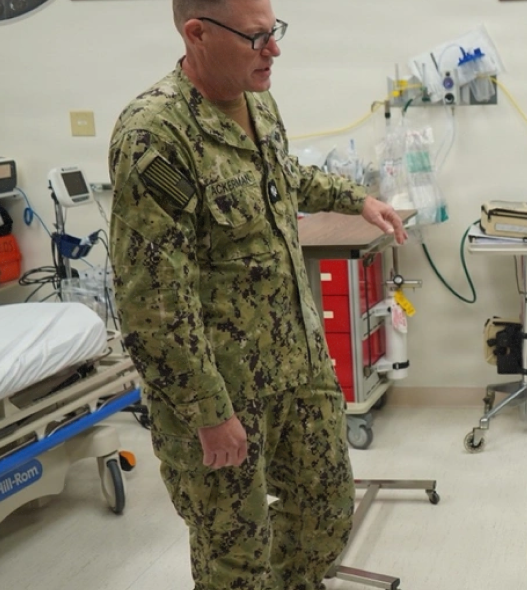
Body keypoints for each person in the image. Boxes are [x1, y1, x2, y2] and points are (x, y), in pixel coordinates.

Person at [107, 1, 407, 588]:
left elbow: (281, 175)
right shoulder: (155, 134)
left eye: (275, 32)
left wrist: (356, 199)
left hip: (299, 366)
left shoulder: (257, 101)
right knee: (236, 560)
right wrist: (208, 412)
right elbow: (151, 303)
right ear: (197, 33)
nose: (274, 50)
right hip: (223, 390)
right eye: (256, 37)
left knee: (324, 515)